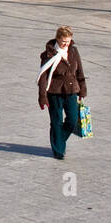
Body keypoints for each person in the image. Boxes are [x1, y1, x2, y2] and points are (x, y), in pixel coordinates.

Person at [37, 25, 88, 160]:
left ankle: (59, 140)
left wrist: (82, 89)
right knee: (56, 121)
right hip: (54, 92)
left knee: (72, 119)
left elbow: (79, 71)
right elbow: (43, 77)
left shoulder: (73, 51)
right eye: (63, 41)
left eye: (68, 40)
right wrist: (42, 97)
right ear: (58, 39)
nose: (66, 43)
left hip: (72, 90)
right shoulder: (48, 54)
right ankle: (58, 150)